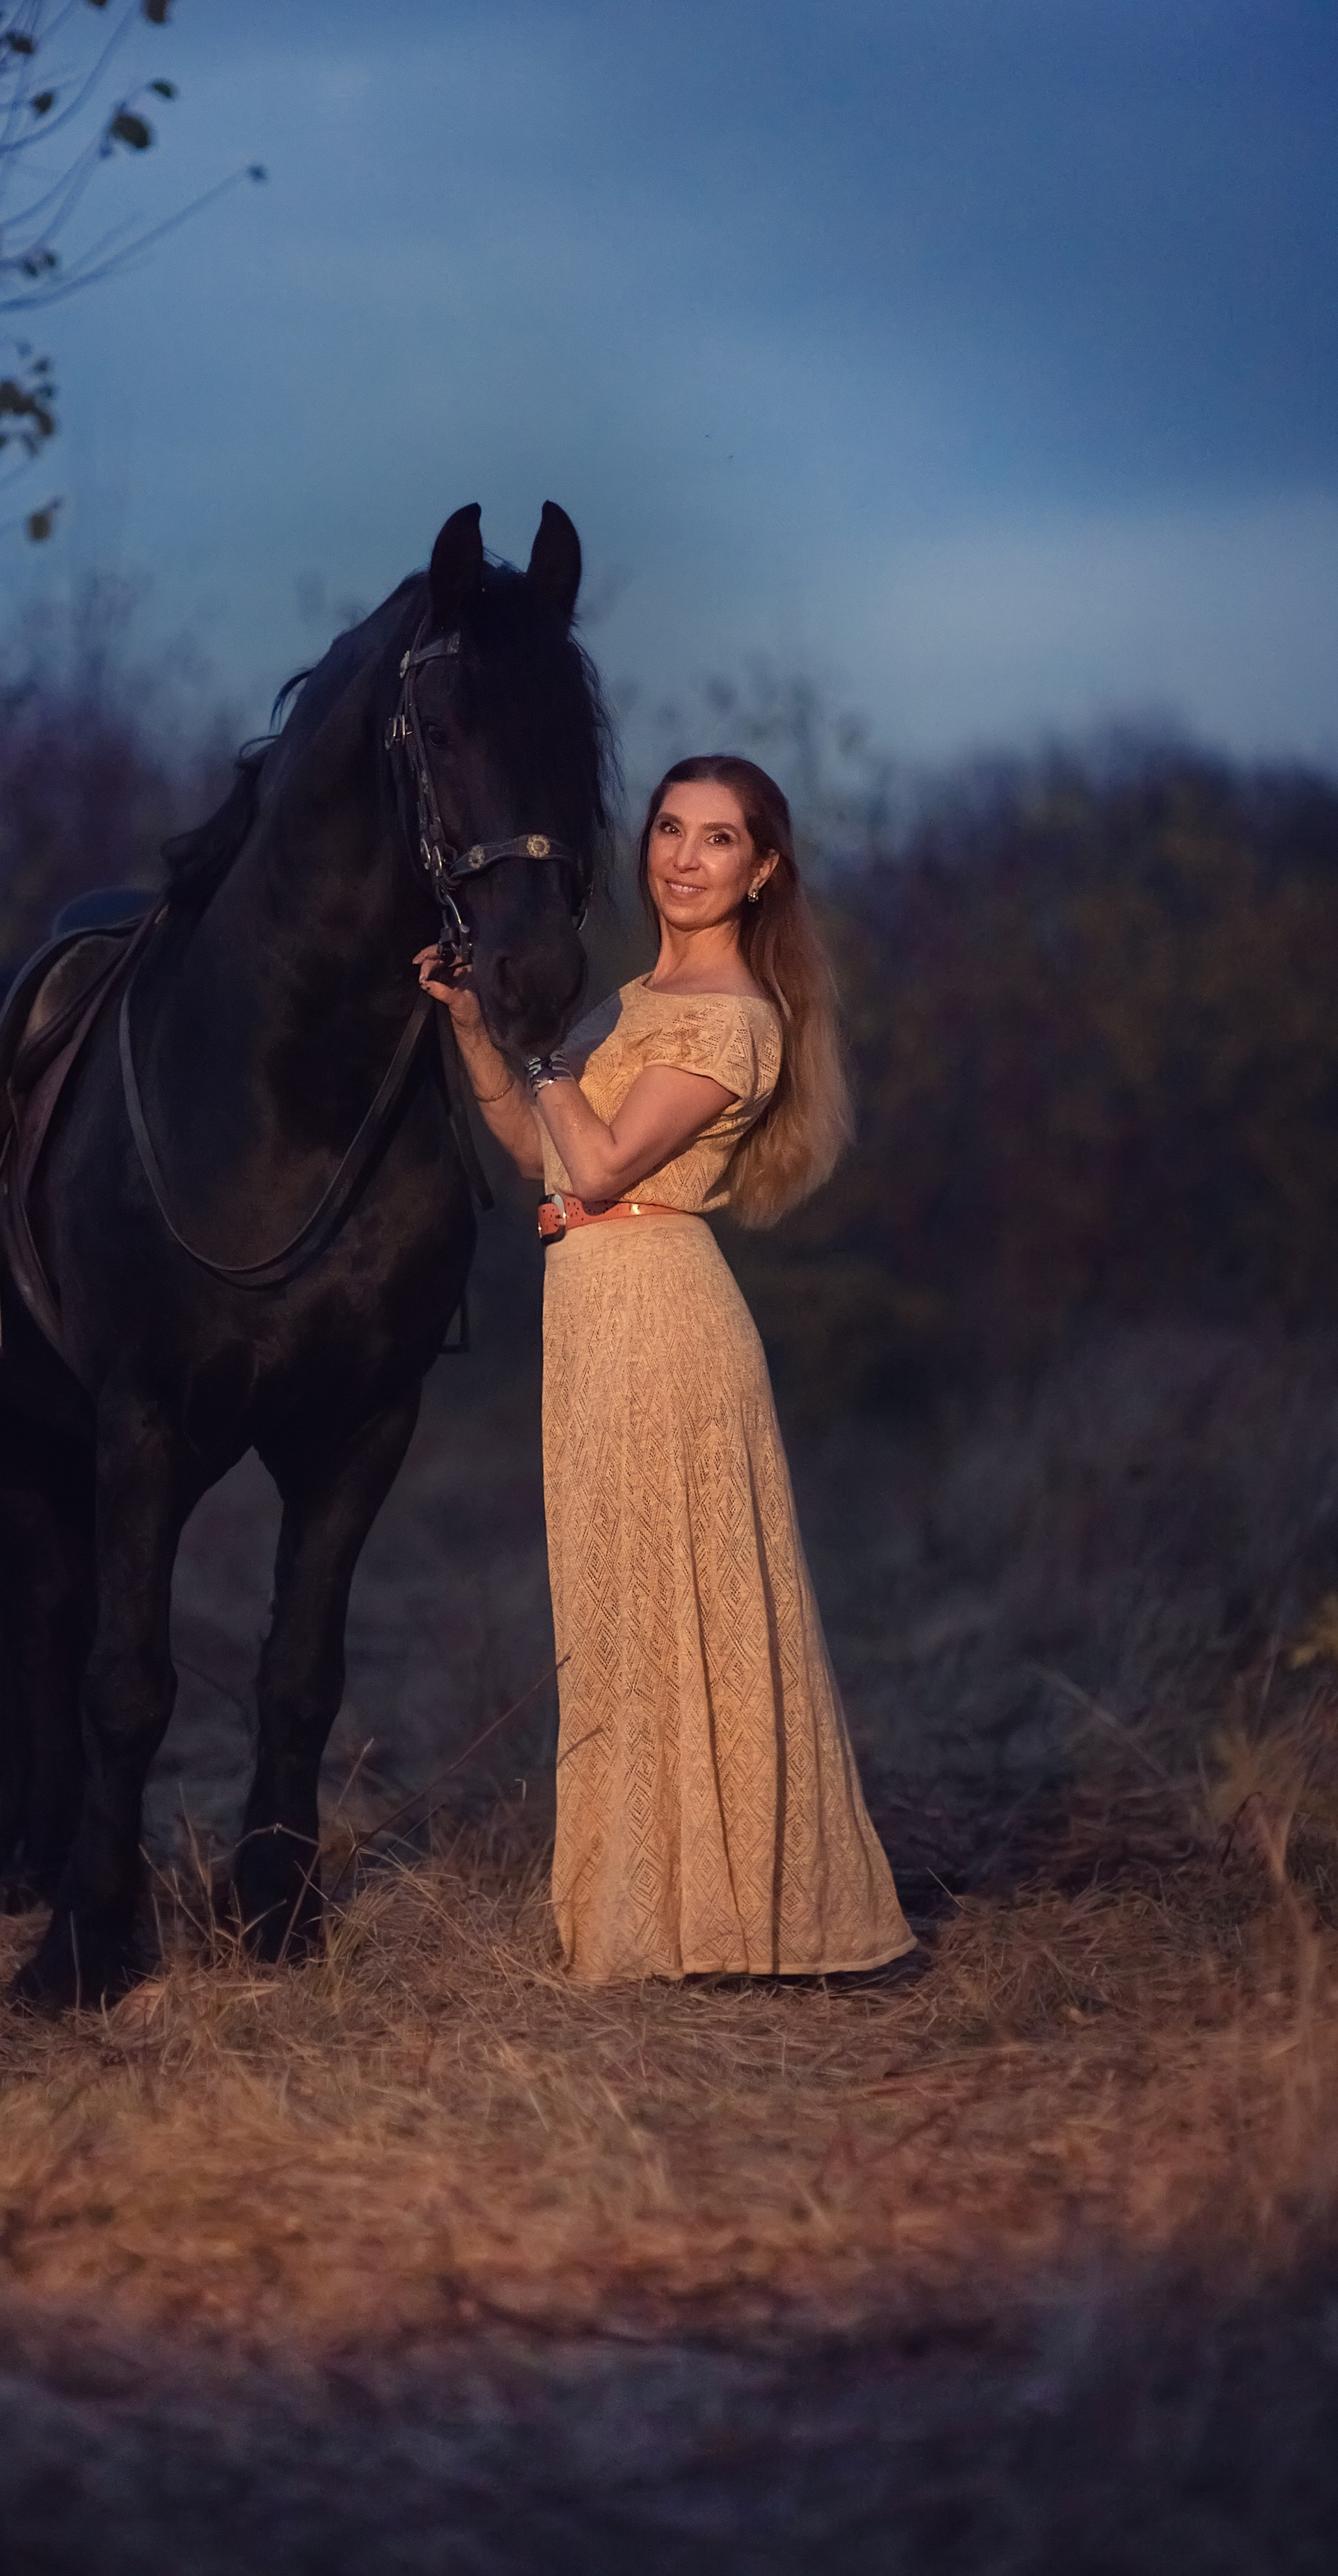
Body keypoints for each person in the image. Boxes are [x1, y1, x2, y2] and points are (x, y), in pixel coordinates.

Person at [418, 754, 913, 1985]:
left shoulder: (736, 1018)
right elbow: (541, 1144)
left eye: (719, 840)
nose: (684, 860)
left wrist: (539, 1047)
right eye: (670, 831)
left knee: (689, 1605)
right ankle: (654, 1915)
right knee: (622, 1609)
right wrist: (486, 1030)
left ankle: (755, 1916)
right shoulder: (632, 1001)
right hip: (593, 1307)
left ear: (764, 871)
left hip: (662, 1313)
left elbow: (599, 1167)